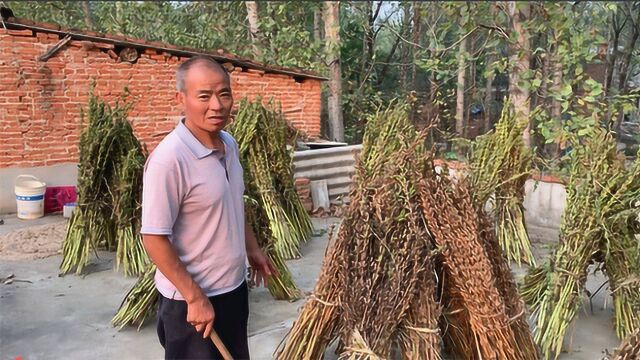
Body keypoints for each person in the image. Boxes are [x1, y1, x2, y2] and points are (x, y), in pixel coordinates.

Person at [140, 55, 276, 360]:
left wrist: (252, 249)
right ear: (181, 99)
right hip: (190, 305)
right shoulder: (169, 160)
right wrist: (195, 296)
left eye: (224, 93)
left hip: (232, 290)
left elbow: (233, 202)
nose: (217, 105)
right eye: (204, 95)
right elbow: (153, 237)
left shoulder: (229, 144)